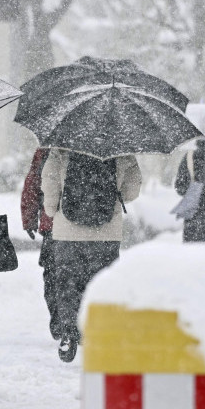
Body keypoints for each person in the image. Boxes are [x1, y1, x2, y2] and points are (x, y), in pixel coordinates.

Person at [41, 149, 142, 362]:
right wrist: (111, 201)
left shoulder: (61, 147)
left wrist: (52, 210)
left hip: (67, 232)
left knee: (68, 283)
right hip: (106, 232)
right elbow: (132, 190)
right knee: (102, 283)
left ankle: (69, 332)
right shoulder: (122, 148)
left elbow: (49, 183)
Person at [20, 148, 58, 342]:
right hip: (95, 228)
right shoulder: (99, 144)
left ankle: (61, 322)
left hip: (54, 225)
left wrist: (29, 219)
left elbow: (33, 185)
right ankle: (81, 322)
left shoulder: (47, 149)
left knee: (54, 278)